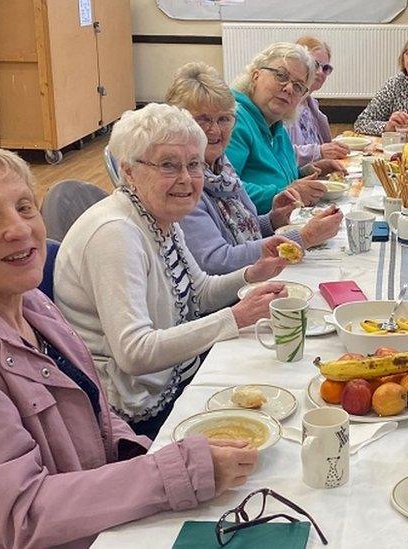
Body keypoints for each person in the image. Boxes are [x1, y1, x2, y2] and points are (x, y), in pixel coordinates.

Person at [0, 140, 257, 548]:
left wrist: (145, 457)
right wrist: (174, 471)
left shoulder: (29, 301)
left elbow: (96, 414)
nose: (18, 229)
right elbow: (24, 512)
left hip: (83, 516)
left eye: (24, 207)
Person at [56, 104, 287, 438]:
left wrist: (252, 274)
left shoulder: (158, 214)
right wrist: (235, 318)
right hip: (137, 406)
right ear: (129, 172)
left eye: (193, 165)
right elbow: (135, 352)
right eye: (168, 165)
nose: (185, 179)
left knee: (273, 374)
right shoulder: (115, 234)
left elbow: (200, 291)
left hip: (174, 372)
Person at [166, 62, 342, 274]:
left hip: (250, 276)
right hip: (230, 292)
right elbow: (217, 261)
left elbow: (239, 230)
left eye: (223, 119)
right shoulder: (182, 183)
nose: (214, 130)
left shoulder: (221, 168)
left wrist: (273, 219)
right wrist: (304, 237)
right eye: (202, 119)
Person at [226, 42, 346, 214]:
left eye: (298, 86)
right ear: (255, 75)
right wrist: (291, 193)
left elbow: (276, 176)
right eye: (281, 75)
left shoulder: (276, 125)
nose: (289, 88)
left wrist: (307, 171)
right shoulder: (233, 121)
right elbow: (225, 190)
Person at [287, 36, 350, 165]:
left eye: (326, 68)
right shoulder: (285, 105)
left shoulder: (311, 104)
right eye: (315, 65)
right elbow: (279, 155)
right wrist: (319, 152)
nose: (320, 72)